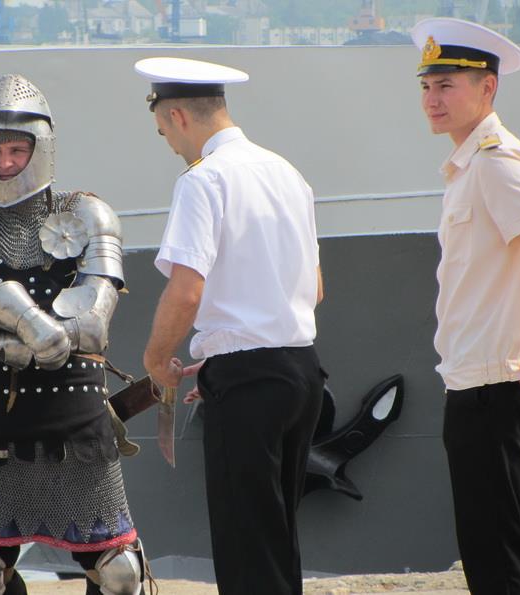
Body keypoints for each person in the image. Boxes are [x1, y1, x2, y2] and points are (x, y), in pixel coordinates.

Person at [0, 74, 147, 595]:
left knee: (119, 573)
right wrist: (24, 319)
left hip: (73, 408)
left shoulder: (87, 214)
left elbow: (91, 326)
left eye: (17, 150)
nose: (5, 162)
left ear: (39, 149)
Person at [134, 57, 325, 595]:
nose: (171, 145)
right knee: (276, 537)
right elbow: (315, 287)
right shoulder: (287, 173)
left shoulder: (204, 179)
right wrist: (225, 353)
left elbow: (187, 289)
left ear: (176, 116)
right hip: (301, 373)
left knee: (246, 546)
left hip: (250, 385)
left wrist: (156, 361)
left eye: (165, 133)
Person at [412, 17, 520, 595]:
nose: (433, 99)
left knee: (495, 549)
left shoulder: (494, 162)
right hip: (491, 382)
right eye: (427, 86)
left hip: (492, 387)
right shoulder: (471, 164)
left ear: (488, 87)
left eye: (447, 85)